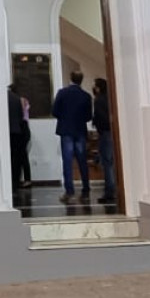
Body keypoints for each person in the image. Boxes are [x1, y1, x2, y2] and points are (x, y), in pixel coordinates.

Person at [50, 71, 94, 204]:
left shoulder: (62, 93)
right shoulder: (86, 96)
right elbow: (88, 116)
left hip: (66, 130)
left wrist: (65, 118)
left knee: (67, 162)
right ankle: (86, 191)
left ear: (71, 79)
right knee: (82, 161)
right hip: (80, 130)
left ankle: (70, 192)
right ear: (81, 80)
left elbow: (55, 111)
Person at [91, 77, 117, 206]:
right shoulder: (111, 98)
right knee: (112, 162)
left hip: (105, 133)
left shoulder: (99, 100)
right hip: (112, 132)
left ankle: (109, 191)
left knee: (107, 163)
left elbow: (100, 117)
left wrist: (97, 126)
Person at [6, 83, 32, 193]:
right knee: (21, 157)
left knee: (17, 157)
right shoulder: (21, 100)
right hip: (21, 129)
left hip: (16, 130)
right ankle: (21, 179)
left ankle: (16, 180)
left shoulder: (13, 100)